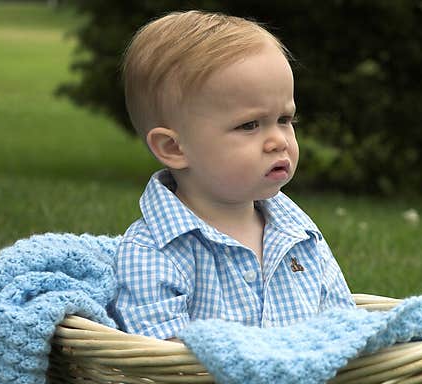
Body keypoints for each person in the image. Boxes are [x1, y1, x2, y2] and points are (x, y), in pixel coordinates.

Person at [113, 10, 355, 340]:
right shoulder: (154, 251)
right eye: (249, 125)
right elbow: (161, 366)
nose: (279, 141)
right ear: (173, 148)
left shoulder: (299, 233)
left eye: (285, 119)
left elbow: (345, 326)